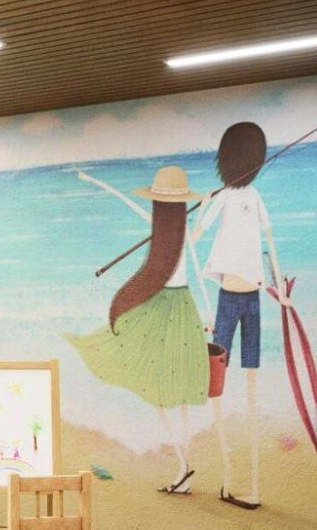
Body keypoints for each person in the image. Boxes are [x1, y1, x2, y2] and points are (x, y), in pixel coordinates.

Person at [67, 165, 209, 495]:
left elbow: (128, 203)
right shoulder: (179, 230)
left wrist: (95, 181)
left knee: (159, 387)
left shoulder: (166, 229)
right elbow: (198, 269)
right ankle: (184, 467)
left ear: (158, 203)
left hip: (165, 306)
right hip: (183, 306)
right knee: (179, 393)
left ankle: (184, 466)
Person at [191, 121, 290, 511]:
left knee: (249, 387)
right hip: (229, 300)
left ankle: (250, 486)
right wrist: (204, 206)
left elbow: (269, 244)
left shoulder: (248, 196)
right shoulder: (225, 197)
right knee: (217, 382)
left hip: (251, 300)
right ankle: (229, 473)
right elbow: (195, 239)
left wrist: (280, 290)